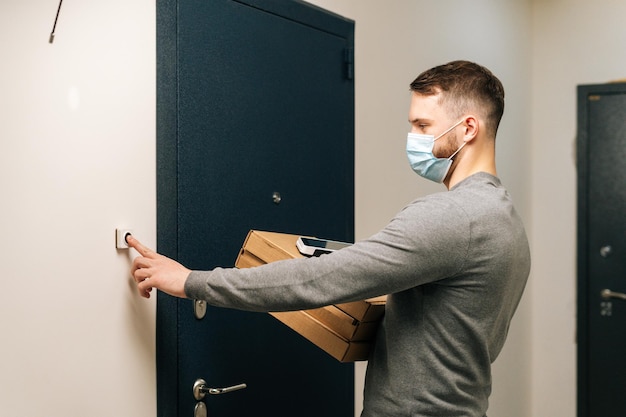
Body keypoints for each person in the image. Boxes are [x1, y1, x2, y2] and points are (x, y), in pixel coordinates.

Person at [129, 60, 530, 417]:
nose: (413, 138)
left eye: (423, 126)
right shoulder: (507, 223)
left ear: (468, 128)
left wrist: (190, 282)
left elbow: (317, 280)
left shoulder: (451, 217)